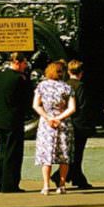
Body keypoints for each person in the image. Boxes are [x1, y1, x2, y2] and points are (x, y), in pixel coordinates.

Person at [33, 60, 76, 195]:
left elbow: (36, 105)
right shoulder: (67, 88)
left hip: (46, 125)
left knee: (47, 156)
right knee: (64, 155)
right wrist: (59, 118)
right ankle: (62, 185)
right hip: (63, 124)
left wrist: (48, 118)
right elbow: (72, 108)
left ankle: (46, 186)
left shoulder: (41, 86)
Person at [54, 59, 97, 189]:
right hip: (79, 124)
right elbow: (84, 106)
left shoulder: (64, 85)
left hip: (66, 122)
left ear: (68, 71)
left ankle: (74, 177)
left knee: (70, 152)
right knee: (77, 153)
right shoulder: (81, 86)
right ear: (81, 73)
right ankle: (68, 177)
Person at [0, 52, 31, 193]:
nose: (25, 66)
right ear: (18, 62)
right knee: (13, 153)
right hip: (13, 119)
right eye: (24, 63)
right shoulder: (20, 79)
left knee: (2, 151)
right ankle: (9, 184)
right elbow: (25, 101)